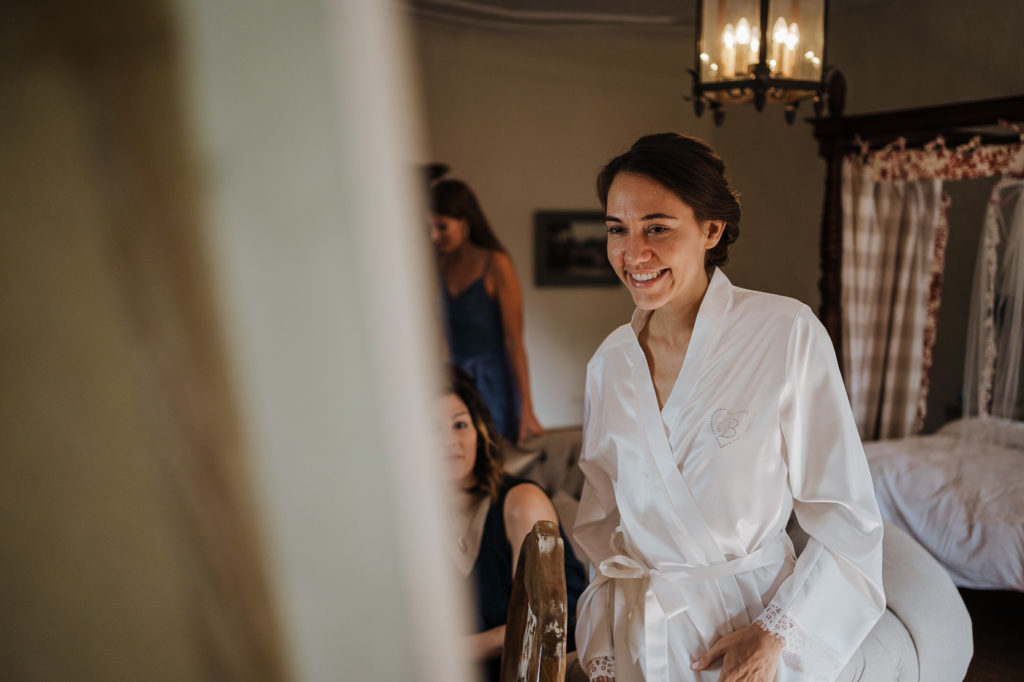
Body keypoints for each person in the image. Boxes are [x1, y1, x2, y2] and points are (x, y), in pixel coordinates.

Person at [573, 133, 885, 682]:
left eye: (657, 228)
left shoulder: (785, 332)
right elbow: (602, 526)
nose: (632, 253)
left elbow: (848, 515)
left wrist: (774, 632)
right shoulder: (609, 366)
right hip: (645, 641)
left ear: (710, 230)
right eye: (617, 229)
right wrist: (607, 641)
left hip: (752, 634)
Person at [436, 365, 585, 682]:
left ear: (480, 432)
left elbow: (542, 624)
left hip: (538, 669)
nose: (449, 441)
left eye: (459, 425)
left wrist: (454, 650)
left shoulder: (522, 503)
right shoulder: (411, 522)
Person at [430, 178, 544, 445]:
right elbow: (441, 336)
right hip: (454, 378)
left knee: (493, 453)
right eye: (430, 228)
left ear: (465, 222)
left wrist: (527, 408)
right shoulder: (441, 265)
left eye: (441, 226)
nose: (434, 236)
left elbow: (514, 342)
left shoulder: (496, 264)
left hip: (494, 382)